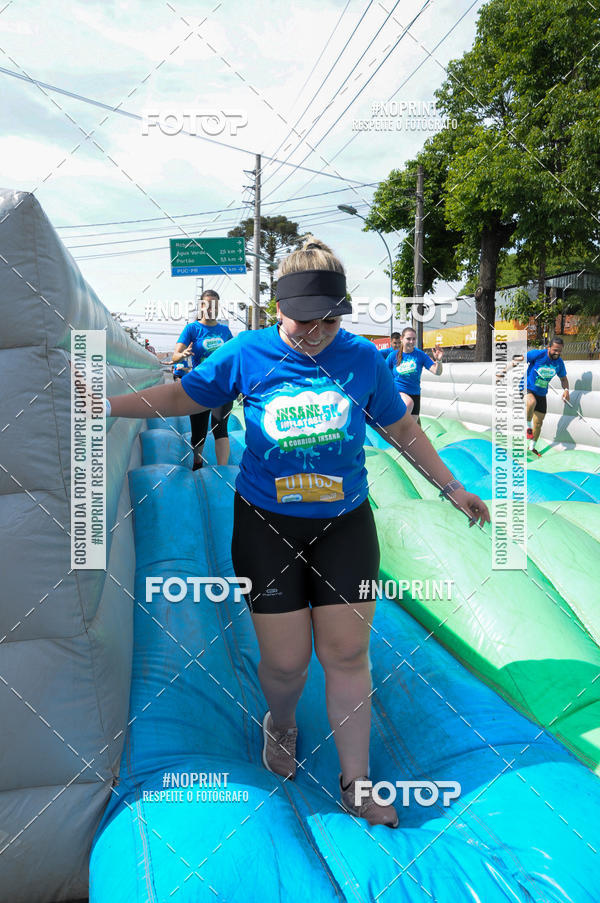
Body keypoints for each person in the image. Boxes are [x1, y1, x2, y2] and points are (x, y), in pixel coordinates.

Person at [104, 238, 489, 828]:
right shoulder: (245, 353)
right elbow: (184, 393)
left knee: (347, 653)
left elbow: (400, 428)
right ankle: (280, 719)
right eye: (302, 321)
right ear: (275, 306)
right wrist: (110, 405)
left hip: (344, 525)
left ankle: (356, 782)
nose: (315, 333)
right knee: (287, 665)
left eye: (329, 320)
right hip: (267, 526)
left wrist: (451, 485)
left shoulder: (361, 358)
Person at [172, 290, 234, 469]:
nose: (211, 308)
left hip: (222, 387)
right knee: (198, 432)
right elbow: (175, 356)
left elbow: (232, 355)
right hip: (199, 386)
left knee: (220, 427)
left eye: (215, 305)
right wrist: (182, 354)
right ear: (201, 306)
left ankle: (223, 470)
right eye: (207, 304)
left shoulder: (224, 331)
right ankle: (198, 460)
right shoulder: (192, 329)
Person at [386, 326, 443, 421]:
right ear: (402, 339)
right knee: (408, 403)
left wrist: (439, 360)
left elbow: (437, 372)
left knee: (410, 429)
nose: (412, 342)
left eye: (414, 339)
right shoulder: (393, 356)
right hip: (398, 393)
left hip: (415, 394)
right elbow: (382, 372)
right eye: (408, 339)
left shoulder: (420, 355)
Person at [525, 337, 569, 456]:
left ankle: (532, 447)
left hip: (542, 393)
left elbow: (563, 378)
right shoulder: (538, 354)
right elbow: (520, 359)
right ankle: (527, 427)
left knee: (539, 423)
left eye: (560, 351)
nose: (557, 353)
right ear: (548, 347)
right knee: (531, 402)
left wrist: (566, 390)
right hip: (527, 387)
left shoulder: (559, 363)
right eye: (555, 350)